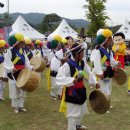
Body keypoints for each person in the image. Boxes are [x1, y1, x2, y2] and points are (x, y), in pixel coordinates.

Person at [56, 43, 100, 130]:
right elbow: (59, 78)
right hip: (72, 91)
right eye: (82, 53)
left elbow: (89, 73)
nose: (83, 55)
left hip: (81, 89)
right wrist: (72, 80)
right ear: (76, 54)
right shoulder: (67, 65)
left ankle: (77, 126)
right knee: (72, 114)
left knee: (81, 110)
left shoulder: (82, 63)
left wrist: (95, 83)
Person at [92, 29, 121, 113]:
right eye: (109, 39)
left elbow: (111, 60)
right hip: (101, 74)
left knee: (108, 89)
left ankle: (106, 103)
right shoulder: (97, 51)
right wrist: (99, 73)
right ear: (105, 40)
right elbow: (94, 63)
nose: (111, 40)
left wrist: (116, 63)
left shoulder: (108, 50)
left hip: (108, 73)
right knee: (103, 90)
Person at [4, 33, 32, 113]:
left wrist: (29, 68)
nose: (23, 44)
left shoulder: (22, 51)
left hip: (22, 73)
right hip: (13, 73)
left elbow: (26, 61)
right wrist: (11, 68)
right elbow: (7, 61)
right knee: (14, 90)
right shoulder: (10, 51)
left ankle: (21, 105)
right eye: (22, 42)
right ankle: (16, 106)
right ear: (17, 43)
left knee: (22, 90)